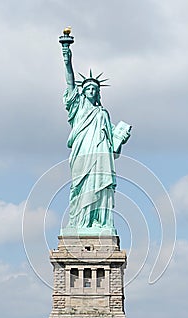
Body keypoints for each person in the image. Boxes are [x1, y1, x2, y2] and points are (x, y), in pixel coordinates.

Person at [61, 45, 130, 234]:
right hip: (82, 152)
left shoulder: (103, 113)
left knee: (101, 185)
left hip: (101, 155)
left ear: (98, 93)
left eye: (94, 89)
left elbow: (111, 145)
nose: (91, 91)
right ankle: (78, 223)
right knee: (80, 186)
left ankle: (101, 223)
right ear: (83, 92)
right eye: (88, 88)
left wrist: (120, 139)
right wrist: (67, 60)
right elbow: (70, 84)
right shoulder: (79, 107)